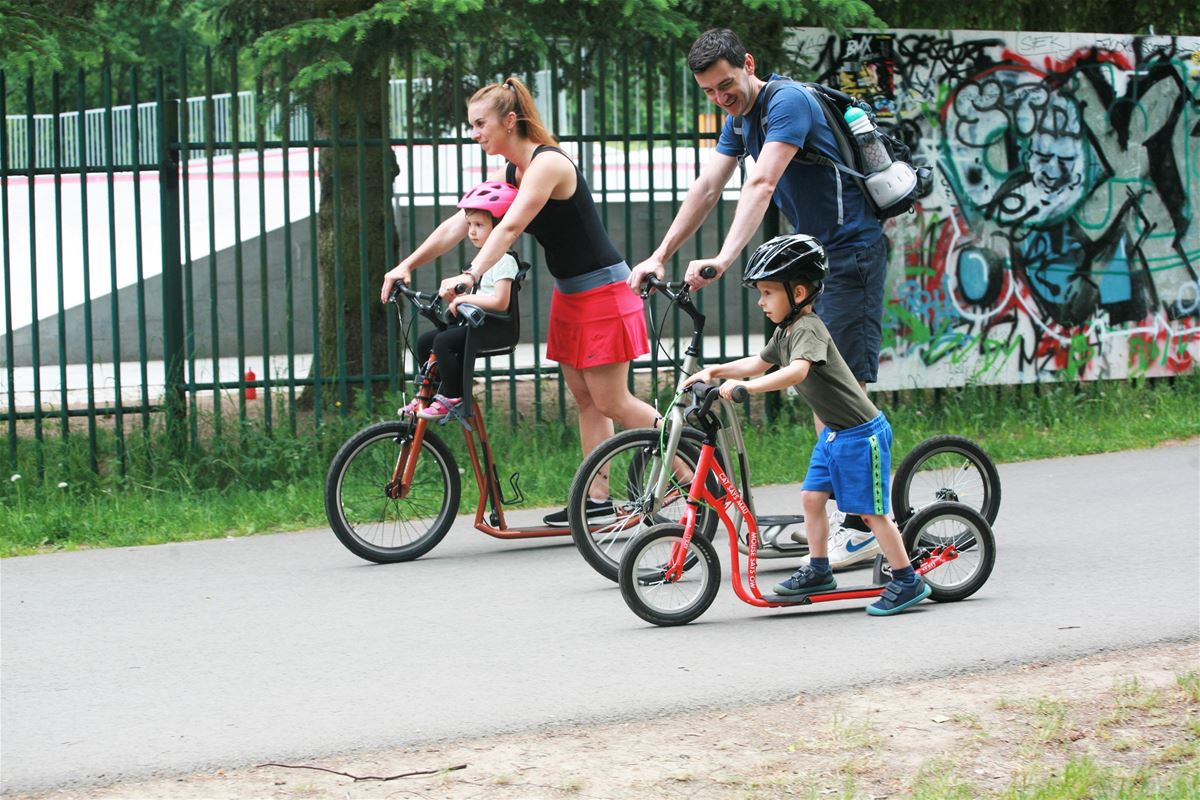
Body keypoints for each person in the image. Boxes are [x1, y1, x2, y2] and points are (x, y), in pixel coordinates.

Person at [628, 27, 887, 567]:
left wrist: (723, 258)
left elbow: (761, 183)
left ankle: (858, 527)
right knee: (824, 396)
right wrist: (660, 254)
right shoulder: (738, 120)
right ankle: (842, 516)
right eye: (710, 93)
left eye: (727, 85)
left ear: (747, 63)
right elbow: (705, 188)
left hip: (850, 254)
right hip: (815, 263)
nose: (723, 99)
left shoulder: (787, 102)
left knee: (841, 398)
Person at [381, 76, 661, 526]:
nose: (474, 134)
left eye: (479, 124)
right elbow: (463, 221)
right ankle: (598, 501)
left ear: (510, 121)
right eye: (470, 125)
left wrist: (471, 275)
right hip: (571, 293)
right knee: (586, 401)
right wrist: (407, 264)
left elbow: (508, 229)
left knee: (613, 401)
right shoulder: (512, 171)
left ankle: (694, 470)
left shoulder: (548, 164)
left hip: (604, 292)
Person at [683, 233, 929, 616]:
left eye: (767, 293)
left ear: (798, 292)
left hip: (860, 434)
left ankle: (906, 579)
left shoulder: (809, 328)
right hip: (835, 433)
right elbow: (757, 363)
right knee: (811, 499)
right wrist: (714, 370)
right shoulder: (785, 331)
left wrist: (746, 389)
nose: (761, 302)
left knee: (869, 512)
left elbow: (797, 372)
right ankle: (818, 569)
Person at [399, 181, 522, 421]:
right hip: (477, 324)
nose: (472, 231)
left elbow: (500, 301)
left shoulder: (505, 260)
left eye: (479, 225)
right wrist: (459, 299)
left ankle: (453, 396)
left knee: (444, 342)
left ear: (498, 227)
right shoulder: (480, 261)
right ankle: (430, 393)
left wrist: (466, 300)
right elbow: (481, 297)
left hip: (495, 327)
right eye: (469, 225)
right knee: (426, 341)